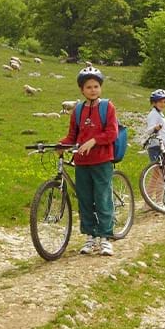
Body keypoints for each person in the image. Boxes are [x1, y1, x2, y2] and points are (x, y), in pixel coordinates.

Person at [59, 66, 119, 257]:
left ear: (100, 88)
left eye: (96, 86)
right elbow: (72, 136)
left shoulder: (107, 107)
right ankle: (90, 236)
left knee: (102, 198)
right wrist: (59, 145)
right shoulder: (77, 110)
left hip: (102, 160)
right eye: (88, 87)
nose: (93, 90)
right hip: (82, 162)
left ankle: (105, 238)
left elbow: (112, 133)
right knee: (85, 199)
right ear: (82, 90)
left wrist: (93, 141)